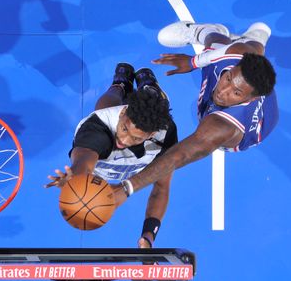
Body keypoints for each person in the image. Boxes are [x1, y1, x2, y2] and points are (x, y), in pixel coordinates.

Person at [111, 21, 278, 206]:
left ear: (250, 98)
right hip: (244, 59)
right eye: (227, 78)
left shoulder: (223, 127)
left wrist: (126, 188)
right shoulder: (237, 55)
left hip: (256, 126)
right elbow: (228, 55)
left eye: (236, 92)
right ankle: (211, 31)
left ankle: (255, 37)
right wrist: (191, 62)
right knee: (237, 45)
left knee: (246, 52)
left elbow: (179, 156)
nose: (223, 91)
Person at [46, 64, 177, 248]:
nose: (124, 139)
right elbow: (84, 159)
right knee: (108, 105)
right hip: (107, 120)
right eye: (124, 129)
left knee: (159, 103)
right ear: (123, 113)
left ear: (151, 135)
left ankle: (149, 86)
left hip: (148, 129)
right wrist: (75, 178)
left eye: (136, 138)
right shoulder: (95, 131)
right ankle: (120, 85)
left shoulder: (164, 134)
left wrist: (148, 236)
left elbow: (161, 187)